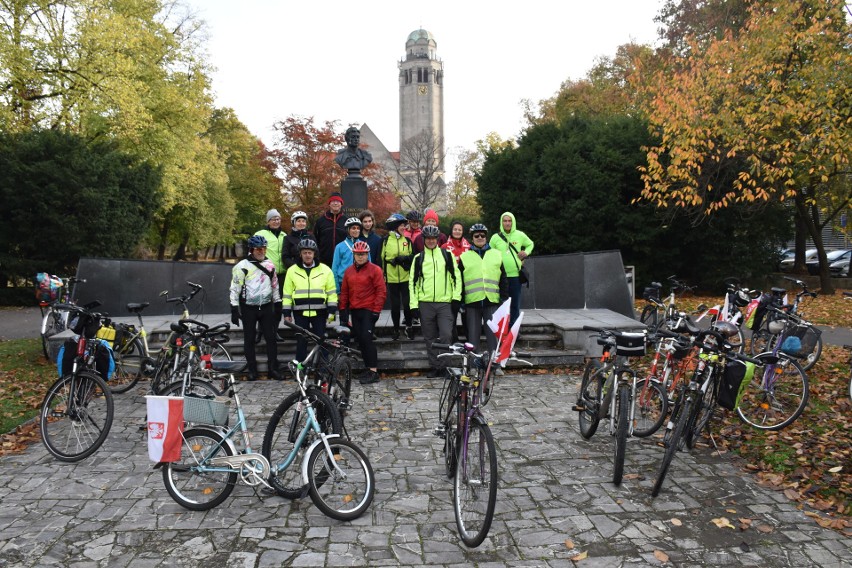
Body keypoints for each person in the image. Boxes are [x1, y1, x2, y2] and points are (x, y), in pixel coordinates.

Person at [409, 225, 462, 377]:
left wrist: (456, 298)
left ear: (438, 239)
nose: (431, 241)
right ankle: (435, 367)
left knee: (446, 335)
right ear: (424, 239)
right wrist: (413, 306)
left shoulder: (447, 255)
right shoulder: (418, 258)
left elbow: (456, 278)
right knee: (430, 337)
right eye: (428, 238)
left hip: (445, 303)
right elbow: (412, 283)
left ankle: (444, 366)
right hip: (425, 303)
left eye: (433, 238)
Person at [229, 235, 283, 381]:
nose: (261, 251)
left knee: (271, 338)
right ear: (252, 250)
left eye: (263, 248)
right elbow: (235, 288)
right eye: (258, 249)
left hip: (266, 306)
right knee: (250, 338)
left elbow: (275, 285)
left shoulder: (270, 265)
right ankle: (252, 370)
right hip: (249, 307)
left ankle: (273, 368)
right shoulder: (242, 266)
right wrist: (234, 307)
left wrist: (277, 302)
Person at [282, 238, 338, 363]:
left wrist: (332, 311)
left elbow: (332, 292)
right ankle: (301, 370)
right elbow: (287, 294)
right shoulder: (292, 271)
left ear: (314, 254)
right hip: (300, 313)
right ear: (300, 254)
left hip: (320, 313)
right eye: (305, 252)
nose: (307, 255)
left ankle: (324, 371)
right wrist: (286, 314)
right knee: (301, 342)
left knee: (321, 342)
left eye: (310, 252)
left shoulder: (325, 270)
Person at [339, 241, 386, 385]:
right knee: (360, 340)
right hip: (355, 309)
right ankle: (367, 368)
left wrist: (376, 311)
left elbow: (381, 291)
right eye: (358, 254)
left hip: (368, 309)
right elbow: (345, 292)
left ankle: (373, 371)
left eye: (363, 254)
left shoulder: (375, 270)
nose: (360, 257)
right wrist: (343, 310)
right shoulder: (348, 271)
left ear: (367, 255)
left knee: (367, 339)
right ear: (353, 255)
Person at [458, 223, 508, 356]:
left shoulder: (496, 254)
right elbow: (460, 282)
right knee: (473, 337)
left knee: (493, 335)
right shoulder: (464, 257)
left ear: (486, 237)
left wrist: (503, 298)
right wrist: (460, 301)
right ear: (472, 238)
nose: (480, 237)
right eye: (476, 235)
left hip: (491, 301)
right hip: (472, 303)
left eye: (483, 235)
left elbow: (503, 277)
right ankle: (474, 366)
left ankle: (494, 365)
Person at [489, 211, 534, 326]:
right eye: (505, 221)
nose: (507, 223)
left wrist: (526, 252)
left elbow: (530, 244)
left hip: (515, 276)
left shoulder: (520, 235)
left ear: (513, 222)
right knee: (501, 305)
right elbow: (489, 253)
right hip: (500, 277)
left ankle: (514, 330)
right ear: (501, 222)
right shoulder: (495, 238)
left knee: (515, 304)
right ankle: (501, 329)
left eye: (510, 221)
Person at [381, 213, 415, 341]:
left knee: (407, 305)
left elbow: (413, 257)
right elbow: (382, 259)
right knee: (395, 306)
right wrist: (383, 275)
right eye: (401, 225)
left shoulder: (407, 241)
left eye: (404, 225)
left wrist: (405, 258)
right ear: (394, 226)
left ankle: (409, 327)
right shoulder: (385, 241)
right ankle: (395, 329)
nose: (404, 227)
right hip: (392, 278)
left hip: (406, 277)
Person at [442, 220, 471, 342]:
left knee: (466, 314)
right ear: (451, 230)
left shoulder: (468, 246)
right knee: (452, 313)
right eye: (455, 229)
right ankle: (454, 339)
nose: (457, 231)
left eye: (459, 229)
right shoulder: (444, 247)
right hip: (451, 285)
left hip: (466, 284)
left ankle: (469, 338)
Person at [254, 209, 287, 294]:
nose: (276, 221)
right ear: (268, 222)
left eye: (278, 219)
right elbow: (252, 253)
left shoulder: (284, 235)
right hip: (267, 274)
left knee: (281, 300)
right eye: (273, 219)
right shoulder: (260, 234)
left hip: (283, 274)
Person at [332, 217, 364, 293]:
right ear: (348, 230)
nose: (356, 230)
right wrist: (337, 288)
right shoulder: (340, 246)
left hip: (361, 282)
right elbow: (335, 268)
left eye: (358, 228)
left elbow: (369, 265)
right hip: (343, 282)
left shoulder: (364, 245)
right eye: (353, 228)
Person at [313, 192, 346, 267]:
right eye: (333, 201)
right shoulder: (320, 221)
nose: (335, 203)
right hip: (324, 260)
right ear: (329, 204)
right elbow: (315, 240)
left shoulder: (346, 221)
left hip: (342, 260)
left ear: (341, 204)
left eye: (337, 201)